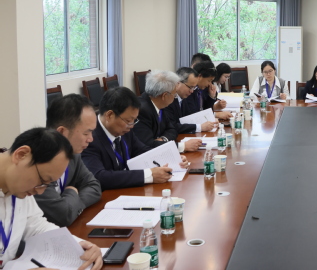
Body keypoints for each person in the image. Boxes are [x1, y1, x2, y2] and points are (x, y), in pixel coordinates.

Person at [0, 128, 102, 269]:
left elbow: (36, 225)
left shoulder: (17, 188)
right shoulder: (19, 186)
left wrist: (78, 245)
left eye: (48, 185)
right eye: (42, 180)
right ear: (21, 155)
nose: (41, 191)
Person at [81, 87, 189, 190]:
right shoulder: (89, 139)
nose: (132, 126)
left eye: (134, 120)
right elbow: (99, 176)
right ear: (109, 115)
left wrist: (173, 158)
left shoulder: (125, 130)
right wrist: (149, 175)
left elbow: (142, 150)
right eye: (128, 121)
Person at [35, 94, 102, 227]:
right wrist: (72, 192)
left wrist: (72, 205)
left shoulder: (73, 154)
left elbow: (94, 187)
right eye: (86, 133)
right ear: (61, 132)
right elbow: (63, 215)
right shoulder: (38, 163)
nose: (91, 139)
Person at [163, 67, 219, 135]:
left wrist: (210, 121)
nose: (192, 91)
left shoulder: (183, 98)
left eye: (194, 87)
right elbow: (172, 126)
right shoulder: (168, 99)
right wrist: (199, 127)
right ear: (178, 83)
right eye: (190, 87)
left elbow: (190, 118)